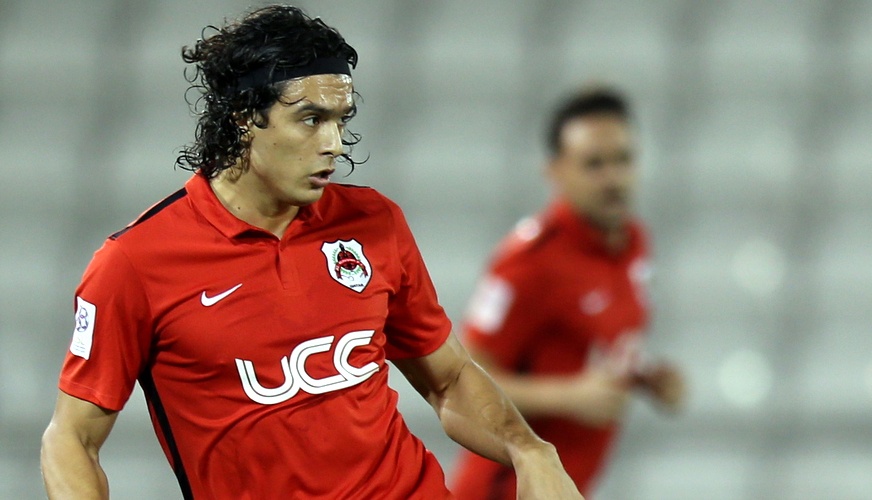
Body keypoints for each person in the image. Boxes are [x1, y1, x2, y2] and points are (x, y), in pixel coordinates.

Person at [39, 6, 583, 500]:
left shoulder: (374, 221)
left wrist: (529, 449)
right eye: (310, 119)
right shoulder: (135, 263)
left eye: (341, 119)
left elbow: (449, 378)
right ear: (244, 116)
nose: (334, 143)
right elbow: (71, 439)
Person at [449, 88, 685, 499]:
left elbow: (587, 342)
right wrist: (569, 397)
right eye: (594, 164)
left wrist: (647, 378)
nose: (613, 178)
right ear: (555, 171)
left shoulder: (632, 243)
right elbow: (462, 381)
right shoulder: (528, 264)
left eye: (623, 160)